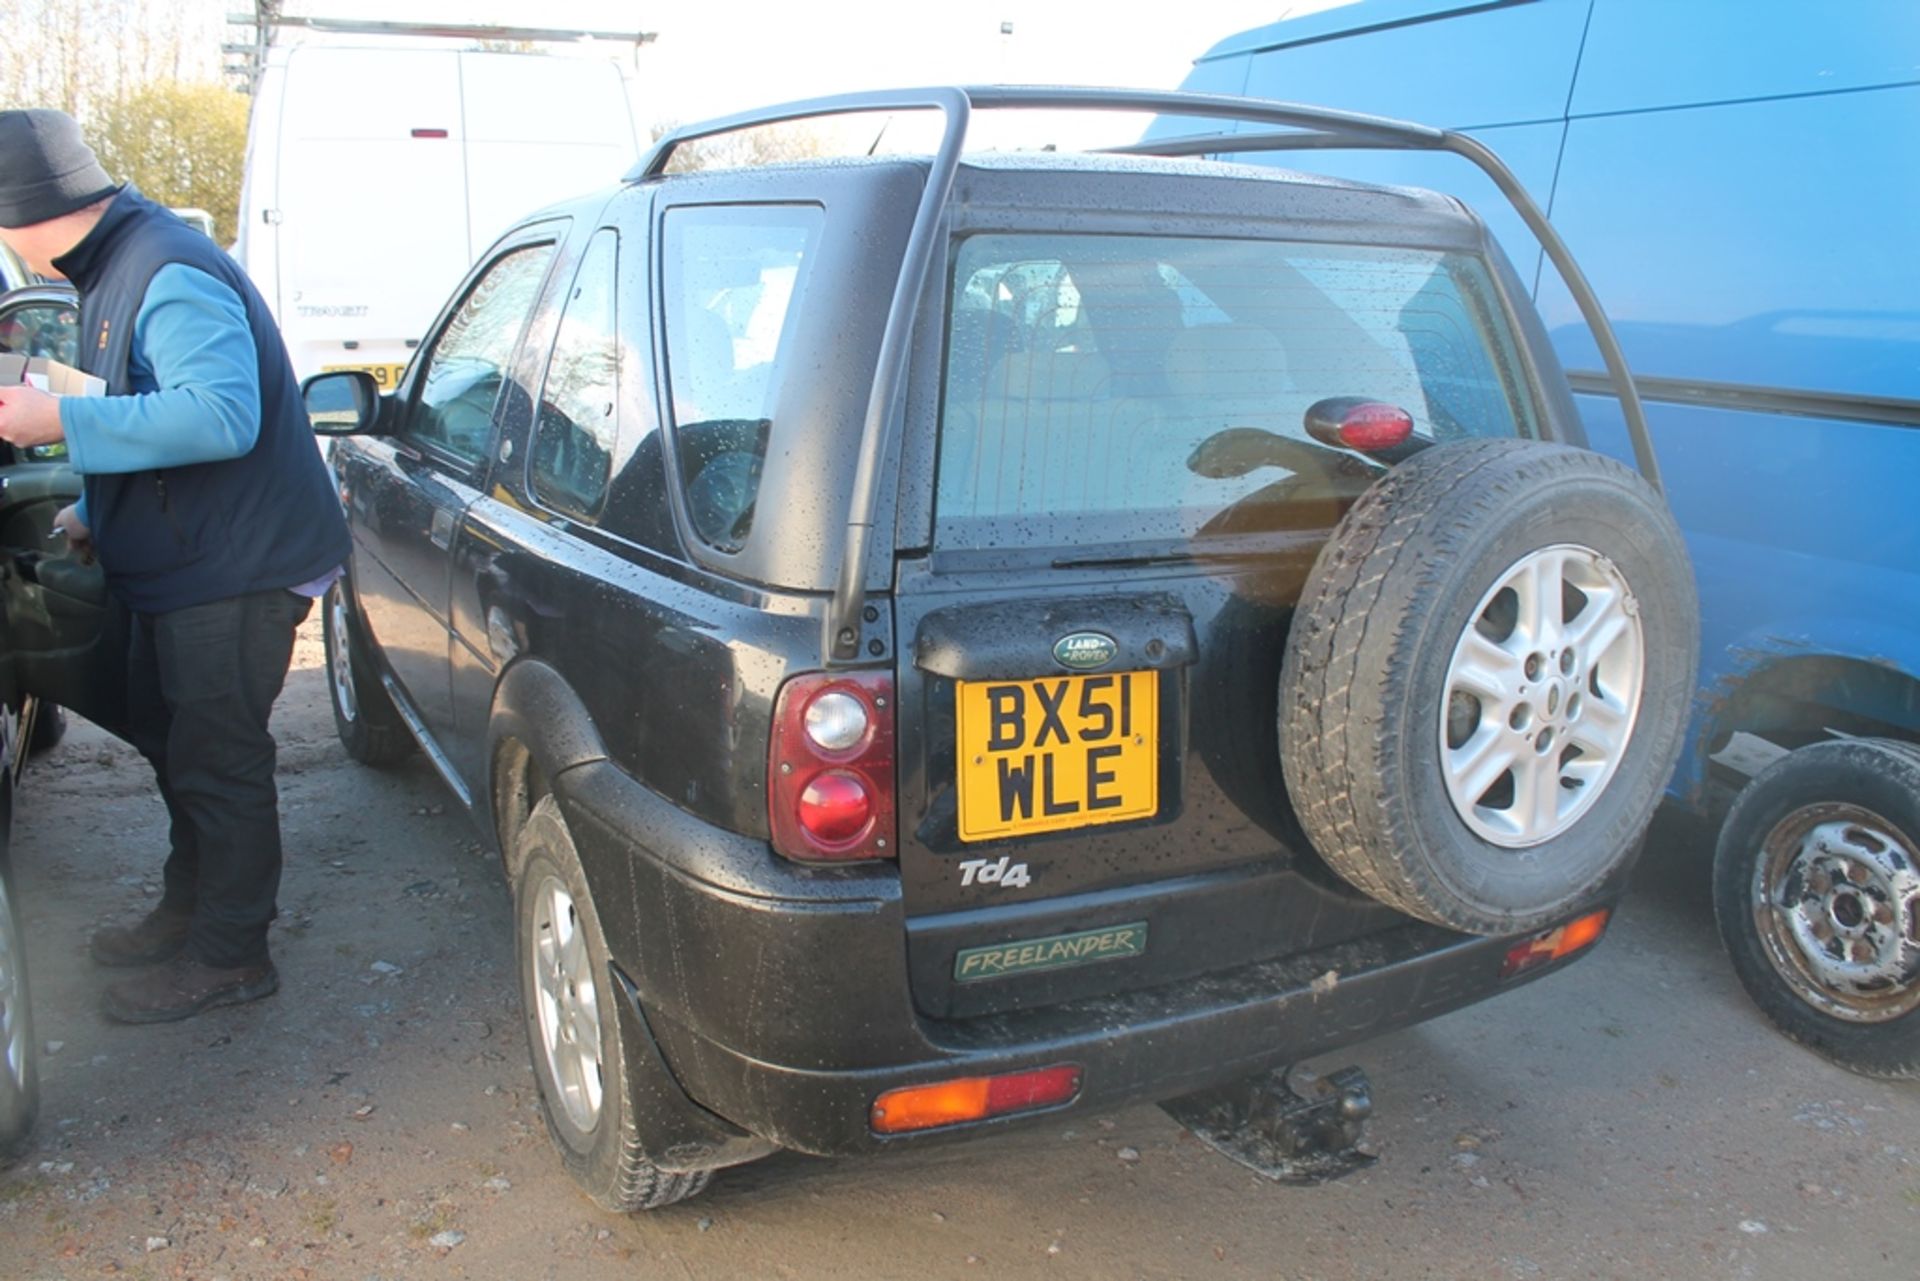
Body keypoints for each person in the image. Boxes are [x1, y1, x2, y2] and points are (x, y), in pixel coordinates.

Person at [0, 109, 349, 1023]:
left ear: (25, 210)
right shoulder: (116, 263)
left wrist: (57, 424)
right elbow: (146, 405)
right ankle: (191, 912)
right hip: (186, 558)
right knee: (176, 745)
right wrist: (90, 506)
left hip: (233, 568)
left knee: (218, 762)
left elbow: (217, 415)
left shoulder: (166, 268)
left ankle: (231, 957)